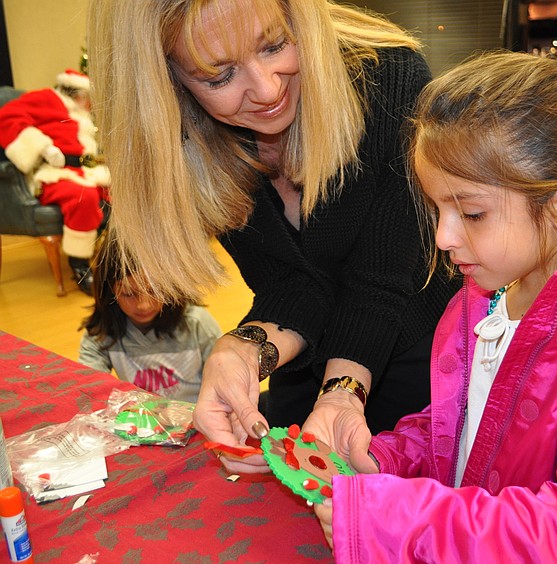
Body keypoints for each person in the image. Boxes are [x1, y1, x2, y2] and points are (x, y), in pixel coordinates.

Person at [314, 51, 557, 562]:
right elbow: (462, 429)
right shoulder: (484, 298)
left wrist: (393, 518)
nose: (443, 237)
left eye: (472, 213)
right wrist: (383, 460)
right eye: (437, 209)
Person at [86, 0, 458, 470]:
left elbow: (380, 278)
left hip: (420, 349)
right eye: (219, 76)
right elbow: (292, 283)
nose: (266, 90)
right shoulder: (191, 141)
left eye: (275, 45)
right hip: (304, 358)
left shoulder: (387, 78)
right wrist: (242, 350)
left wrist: (341, 395)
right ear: (169, 85)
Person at [0, 69, 111, 295]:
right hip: (53, 173)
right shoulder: (45, 98)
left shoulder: (80, 113)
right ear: (79, 94)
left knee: (115, 194)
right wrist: (44, 148)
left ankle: (110, 259)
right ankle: (79, 265)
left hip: (83, 171)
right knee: (82, 197)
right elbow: (6, 117)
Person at [79, 230, 222, 403]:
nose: (143, 305)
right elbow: (90, 388)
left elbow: (223, 382)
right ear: (109, 292)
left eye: (154, 291)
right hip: (140, 419)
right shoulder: (102, 332)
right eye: (128, 294)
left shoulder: (197, 324)